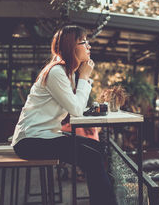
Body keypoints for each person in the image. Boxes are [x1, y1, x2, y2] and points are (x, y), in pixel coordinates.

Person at [11, 24, 117, 205]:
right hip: (31, 141)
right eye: (84, 42)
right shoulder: (56, 72)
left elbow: (75, 108)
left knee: (98, 149)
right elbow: (75, 110)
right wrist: (84, 77)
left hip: (46, 136)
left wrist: (82, 80)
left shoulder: (64, 73)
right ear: (71, 47)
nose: (89, 47)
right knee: (92, 157)